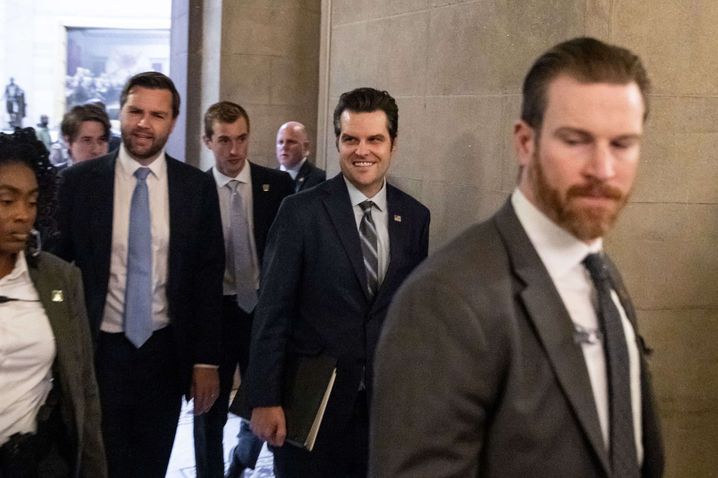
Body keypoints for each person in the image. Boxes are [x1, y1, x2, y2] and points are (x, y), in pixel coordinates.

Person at [369, 37, 665, 478]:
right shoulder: (443, 300)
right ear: (525, 142)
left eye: (622, 144)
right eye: (576, 140)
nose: (603, 169)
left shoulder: (602, 274)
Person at [246, 87, 431, 478]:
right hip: (311, 406)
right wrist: (263, 398)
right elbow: (272, 310)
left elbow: (413, 320)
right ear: (338, 143)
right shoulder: (300, 212)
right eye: (351, 139)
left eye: (374, 139)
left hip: (382, 413)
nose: (362, 150)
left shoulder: (414, 218)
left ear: (393, 144)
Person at [55, 72, 225, 478]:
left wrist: (206, 360)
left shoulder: (195, 189)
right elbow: (56, 274)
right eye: (135, 111)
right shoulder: (79, 183)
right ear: (121, 113)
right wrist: (59, 344)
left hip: (164, 354)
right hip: (99, 352)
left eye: (156, 115)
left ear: (173, 121)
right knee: (99, 461)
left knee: (151, 461)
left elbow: (207, 277)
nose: (144, 123)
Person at [193, 101, 293, 478]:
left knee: (267, 400)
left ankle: (242, 458)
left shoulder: (278, 185)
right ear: (207, 141)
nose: (234, 151)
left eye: (241, 139)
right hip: (215, 316)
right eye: (223, 141)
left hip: (262, 313)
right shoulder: (196, 191)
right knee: (208, 413)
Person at [0, 127, 106, 477]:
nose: (22, 214)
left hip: (36, 461)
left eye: (31, 201)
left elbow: (84, 389)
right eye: (6, 200)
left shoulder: (58, 279)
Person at [276, 121, 326, 192]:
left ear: (305, 147)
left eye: (291, 142)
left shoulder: (320, 179)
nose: (284, 147)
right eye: (280, 142)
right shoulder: (268, 178)